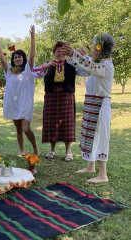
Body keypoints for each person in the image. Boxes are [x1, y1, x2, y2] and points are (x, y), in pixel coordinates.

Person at [60, 34, 115, 183]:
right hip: (92, 104)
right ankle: (90, 166)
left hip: (100, 106)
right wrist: (79, 56)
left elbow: (91, 67)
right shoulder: (99, 63)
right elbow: (88, 65)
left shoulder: (105, 66)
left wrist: (74, 54)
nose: (92, 50)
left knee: (100, 137)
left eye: (94, 47)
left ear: (100, 51)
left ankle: (103, 175)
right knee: (90, 136)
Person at [33, 41, 88, 161]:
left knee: (67, 122)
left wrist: (83, 58)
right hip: (51, 96)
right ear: (53, 53)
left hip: (66, 95)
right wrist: (45, 67)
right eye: (58, 52)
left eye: (63, 52)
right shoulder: (48, 64)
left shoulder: (72, 63)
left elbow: (85, 72)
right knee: (52, 122)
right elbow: (34, 73)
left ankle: (68, 152)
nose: (60, 55)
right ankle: (52, 150)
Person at [0, 26, 39, 157]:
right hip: (13, 104)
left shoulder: (28, 70)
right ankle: (21, 150)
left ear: (23, 59)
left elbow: (32, 55)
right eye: (15, 58)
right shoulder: (10, 71)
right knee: (18, 129)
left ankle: (35, 147)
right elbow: (2, 58)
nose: (17, 59)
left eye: (19, 57)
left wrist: (32, 37)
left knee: (26, 128)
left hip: (25, 104)